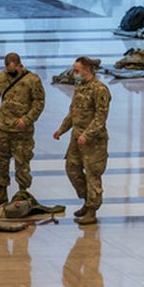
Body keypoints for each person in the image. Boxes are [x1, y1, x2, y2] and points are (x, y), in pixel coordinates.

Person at [53, 56, 109, 226]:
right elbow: (73, 113)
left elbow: (100, 118)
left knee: (93, 174)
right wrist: (62, 129)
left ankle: (92, 211)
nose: (73, 73)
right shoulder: (79, 87)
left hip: (93, 142)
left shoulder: (100, 90)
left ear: (87, 70)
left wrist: (87, 134)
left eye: (76, 70)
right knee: (72, 168)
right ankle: (87, 200)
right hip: (77, 139)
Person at [0, 53, 44, 205]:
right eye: (8, 68)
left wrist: (27, 119)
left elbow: (39, 103)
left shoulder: (32, 80)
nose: (10, 71)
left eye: (13, 68)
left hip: (22, 130)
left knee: (22, 161)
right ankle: (1, 192)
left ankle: (22, 193)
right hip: (3, 127)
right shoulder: (0, 78)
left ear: (19, 65)